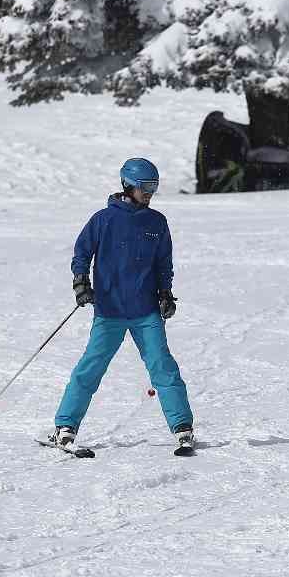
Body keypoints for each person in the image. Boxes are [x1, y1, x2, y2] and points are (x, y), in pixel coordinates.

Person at [52, 158, 194, 452]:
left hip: (146, 311)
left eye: (154, 186)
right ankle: (65, 426)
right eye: (146, 187)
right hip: (110, 310)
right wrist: (81, 282)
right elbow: (82, 253)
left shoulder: (157, 222)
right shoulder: (103, 220)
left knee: (163, 367)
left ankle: (182, 427)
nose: (150, 193)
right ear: (128, 185)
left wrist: (165, 292)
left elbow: (163, 263)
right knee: (90, 368)